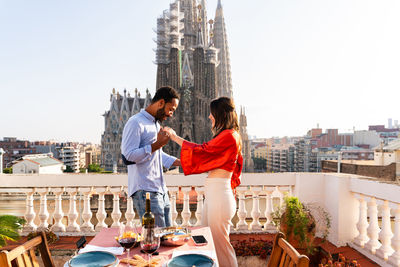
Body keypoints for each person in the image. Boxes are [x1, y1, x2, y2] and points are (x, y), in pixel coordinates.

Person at [164, 97, 243, 267]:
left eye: (212, 113)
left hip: (220, 198)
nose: (209, 117)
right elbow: (209, 156)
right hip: (215, 197)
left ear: (220, 115)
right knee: (209, 242)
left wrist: (175, 137)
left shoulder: (229, 136)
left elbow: (202, 151)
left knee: (221, 246)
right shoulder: (227, 135)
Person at [121, 86, 181, 228]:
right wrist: (157, 144)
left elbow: (157, 155)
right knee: (155, 239)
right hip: (145, 190)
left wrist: (183, 162)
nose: (171, 114)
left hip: (160, 189)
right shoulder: (135, 122)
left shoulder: (155, 124)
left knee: (167, 236)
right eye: (170, 109)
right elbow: (127, 156)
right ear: (161, 103)